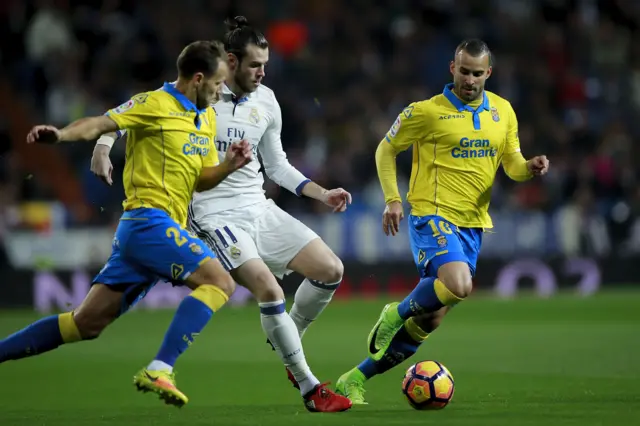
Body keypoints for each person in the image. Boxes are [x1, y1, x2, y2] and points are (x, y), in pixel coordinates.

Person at [90, 17, 352, 413]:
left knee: (331, 269)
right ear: (229, 61)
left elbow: (277, 165)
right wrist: (103, 144)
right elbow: (129, 115)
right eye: (254, 65)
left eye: (265, 64)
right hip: (213, 214)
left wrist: (320, 192)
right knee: (270, 290)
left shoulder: (267, 101)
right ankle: (309, 386)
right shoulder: (197, 94)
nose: (262, 73)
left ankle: (288, 338)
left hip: (259, 207)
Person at [0, 40, 253, 408]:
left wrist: (228, 166)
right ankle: (159, 369)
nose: (220, 91)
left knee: (84, 324)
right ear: (198, 78)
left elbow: (199, 178)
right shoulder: (154, 104)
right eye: (217, 83)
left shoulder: (207, 116)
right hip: (148, 221)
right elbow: (101, 123)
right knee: (220, 281)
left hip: (158, 231)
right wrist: (62, 134)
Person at [335, 39, 550, 404]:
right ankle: (395, 312)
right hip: (432, 214)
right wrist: (392, 199)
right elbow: (386, 149)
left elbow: (511, 163)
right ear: (452, 68)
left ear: (488, 74)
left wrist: (528, 168)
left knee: (430, 320)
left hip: (472, 225)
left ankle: (352, 379)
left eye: (477, 73)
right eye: (464, 71)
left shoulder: (504, 112)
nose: (469, 79)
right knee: (459, 284)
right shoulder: (426, 112)